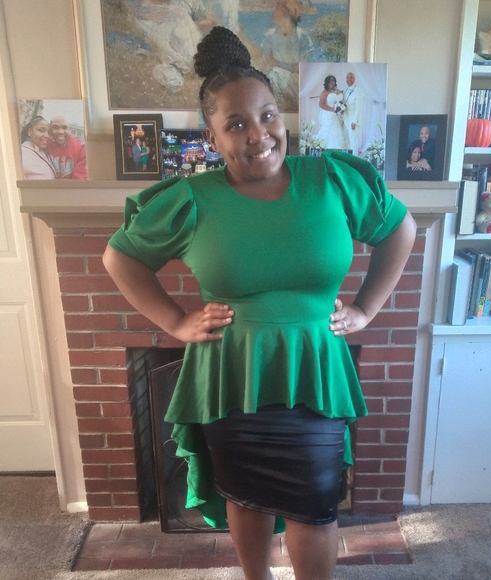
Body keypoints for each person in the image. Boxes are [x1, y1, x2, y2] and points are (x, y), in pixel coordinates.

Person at [103, 26, 416, 580]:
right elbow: (120, 257)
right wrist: (177, 321)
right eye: (236, 124)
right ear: (212, 137)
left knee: (315, 503)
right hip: (229, 373)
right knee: (245, 496)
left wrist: (366, 309)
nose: (258, 134)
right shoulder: (192, 198)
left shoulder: (332, 179)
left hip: (314, 369)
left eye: (268, 115)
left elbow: (400, 229)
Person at [260, 0, 313, 112]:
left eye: (277, 8)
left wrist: (279, 65)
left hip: (296, 82)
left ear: (287, 12)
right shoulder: (271, 35)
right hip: (277, 80)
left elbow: (301, 68)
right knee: (270, 75)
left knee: (273, 73)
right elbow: (264, 63)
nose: (273, 11)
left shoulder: (302, 37)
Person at [316, 74, 349, 150]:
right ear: (327, 83)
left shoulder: (339, 91)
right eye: (329, 81)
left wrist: (341, 108)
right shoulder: (324, 92)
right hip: (329, 115)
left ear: (335, 82)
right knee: (330, 131)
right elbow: (321, 104)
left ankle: (337, 151)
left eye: (333, 80)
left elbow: (342, 101)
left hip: (338, 116)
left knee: (338, 131)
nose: (331, 82)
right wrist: (333, 110)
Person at [342, 71, 364, 155]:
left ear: (354, 79)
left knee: (353, 142)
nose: (349, 79)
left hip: (353, 121)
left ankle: (355, 158)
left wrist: (354, 121)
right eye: (347, 77)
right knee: (347, 142)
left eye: (351, 77)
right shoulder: (345, 90)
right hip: (346, 119)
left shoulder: (358, 90)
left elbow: (359, 107)